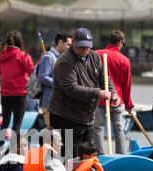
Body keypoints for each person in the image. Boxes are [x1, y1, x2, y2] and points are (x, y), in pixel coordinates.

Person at [48, 28, 120, 161]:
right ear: (73, 42)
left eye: (88, 46)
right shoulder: (65, 61)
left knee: (86, 155)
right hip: (65, 116)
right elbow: (72, 89)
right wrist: (98, 92)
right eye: (81, 47)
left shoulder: (93, 56)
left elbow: (104, 78)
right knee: (69, 157)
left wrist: (113, 92)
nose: (85, 50)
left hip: (86, 117)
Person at [0, 30, 34, 148]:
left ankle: (0, 153)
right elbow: (33, 72)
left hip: (5, 95)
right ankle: (13, 154)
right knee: (17, 125)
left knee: (4, 123)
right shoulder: (23, 56)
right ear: (20, 42)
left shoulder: (1, 56)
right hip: (20, 94)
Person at [93, 30, 134, 155]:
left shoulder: (96, 54)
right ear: (121, 43)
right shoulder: (124, 60)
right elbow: (126, 85)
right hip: (117, 100)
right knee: (118, 129)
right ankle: (120, 155)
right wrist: (128, 105)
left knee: (98, 128)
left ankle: (100, 156)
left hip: (99, 97)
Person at [37, 32, 72, 128]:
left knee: (66, 132)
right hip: (49, 104)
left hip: (60, 103)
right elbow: (42, 77)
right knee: (54, 134)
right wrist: (60, 84)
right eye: (68, 44)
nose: (70, 47)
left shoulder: (61, 58)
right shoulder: (49, 57)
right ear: (60, 42)